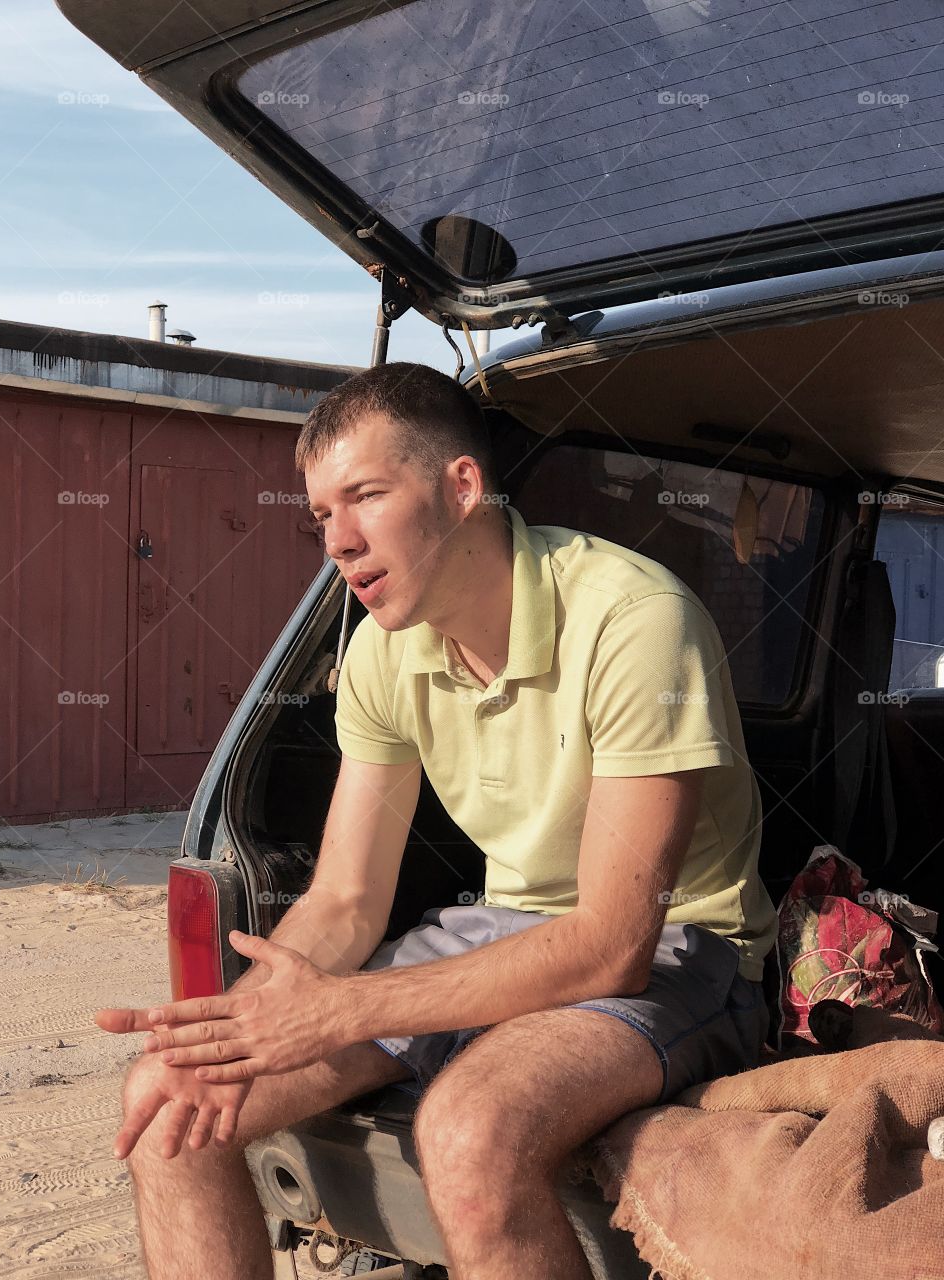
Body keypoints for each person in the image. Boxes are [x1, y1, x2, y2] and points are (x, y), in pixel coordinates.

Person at [96, 361, 778, 1280]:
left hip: (680, 948)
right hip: (496, 928)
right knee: (167, 1102)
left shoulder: (634, 618)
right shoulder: (382, 651)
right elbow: (343, 900)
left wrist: (345, 1010)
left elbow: (613, 945)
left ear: (462, 487)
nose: (336, 540)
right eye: (320, 515)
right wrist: (240, 1024)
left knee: (466, 1132)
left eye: (365, 497)